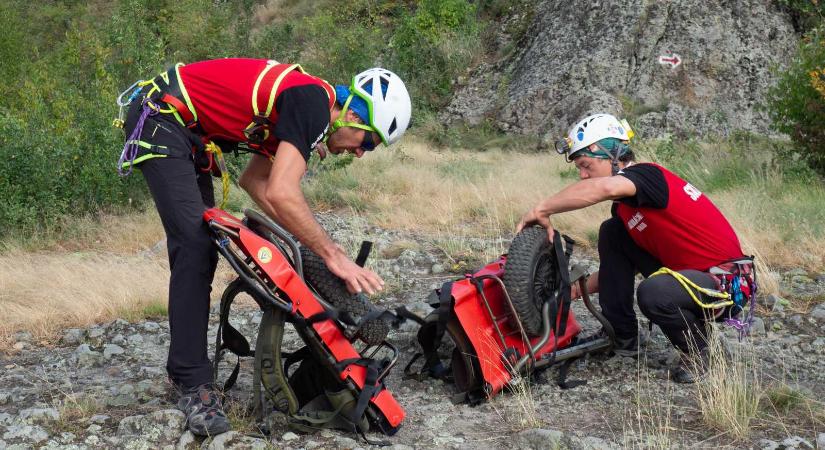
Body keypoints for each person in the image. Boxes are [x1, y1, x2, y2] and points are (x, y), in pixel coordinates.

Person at [117, 58, 411, 435]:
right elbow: (281, 192)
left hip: (188, 133)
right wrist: (333, 255)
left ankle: (188, 370)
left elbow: (254, 182)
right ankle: (191, 383)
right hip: (163, 118)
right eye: (368, 141)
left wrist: (292, 246)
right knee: (194, 245)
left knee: (203, 242)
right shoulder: (312, 103)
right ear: (353, 115)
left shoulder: (305, 108)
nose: (359, 153)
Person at [517, 113, 755, 383]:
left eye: (586, 165)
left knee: (653, 292)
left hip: (727, 283)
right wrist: (570, 290)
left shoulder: (647, 175)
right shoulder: (625, 207)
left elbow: (605, 186)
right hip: (689, 277)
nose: (583, 176)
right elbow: (617, 271)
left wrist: (542, 209)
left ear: (612, 154)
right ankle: (622, 335)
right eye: (579, 169)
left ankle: (699, 354)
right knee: (613, 231)